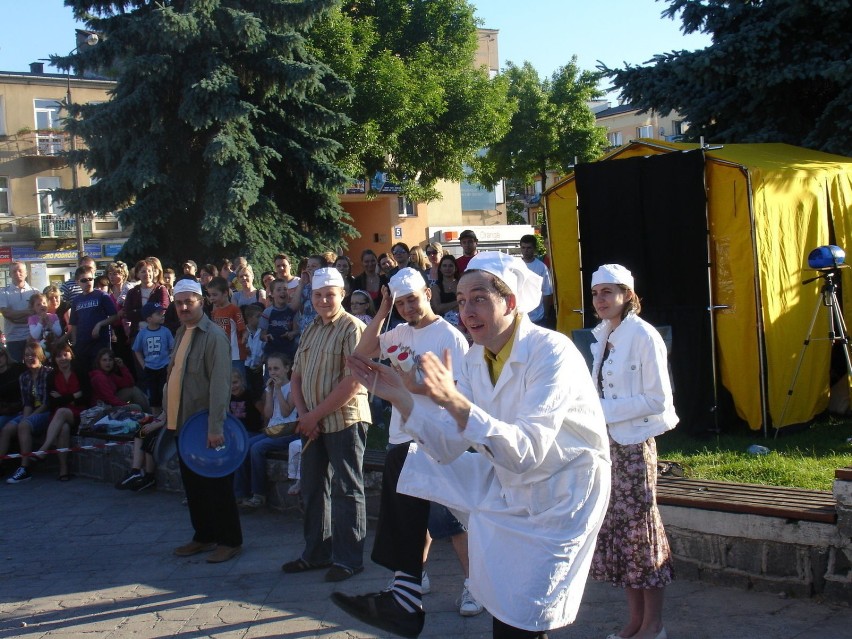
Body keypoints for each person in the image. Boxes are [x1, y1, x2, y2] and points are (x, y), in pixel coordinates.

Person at [334, 252, 611, 639]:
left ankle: (406, 596)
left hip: (560, 496)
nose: (467, 310)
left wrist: (452, 399)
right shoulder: (475, 358)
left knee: (522, 620)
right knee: (406, 459)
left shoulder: (551, 352)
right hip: (510, 488)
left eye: (479, 298)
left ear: (510, 302)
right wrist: (400, 397)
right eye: (461, 301)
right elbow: (447, 443)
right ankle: (404, 592)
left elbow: (527, 452)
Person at [352, 267, 481, 619]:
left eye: (413, 299)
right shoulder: (397, 333)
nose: (408, 307)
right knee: (409, 517)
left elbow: (457, 394)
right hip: (400, 435)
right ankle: (412, 578)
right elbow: (362, 353)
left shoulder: (448, 335)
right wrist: (381, 312)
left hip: (438, 439)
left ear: (428, 292)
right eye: (401, 302)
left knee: (450, 519)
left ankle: (474, 586)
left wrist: (415, 387)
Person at [587, 264, 678, 639]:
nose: (600, 300)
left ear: (627, 294)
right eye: (596, 293)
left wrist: (603, 411)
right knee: (621, 533)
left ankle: (653, 625)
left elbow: (658, 399)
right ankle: (635, 622)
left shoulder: (643, 335)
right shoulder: (604, 334)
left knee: (641, 532)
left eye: (608, 292)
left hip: (634, 445)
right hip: (607, 444)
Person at [281, 267, 371, 583]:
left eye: (329, 294)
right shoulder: (310, 329)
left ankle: (349, 560)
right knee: (312, 486)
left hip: (344, 420)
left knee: (347, 489)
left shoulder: (353, 328)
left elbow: (354, 383)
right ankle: (317, 553)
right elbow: (296, 377)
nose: (323, 300)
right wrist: (306, 416)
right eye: (318, 294)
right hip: (313, 422)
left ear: (342, 294)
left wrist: (312, 416)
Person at [168, 278, 242, 563]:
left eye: (190, 302)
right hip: (182, 424)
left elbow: (220, 385)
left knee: (217, 486)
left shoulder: (213, 336)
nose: (184, 307)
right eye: (179, 303)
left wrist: (215, 427)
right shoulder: (180, 332)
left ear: (202, 302)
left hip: (203, 425)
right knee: (194, 487)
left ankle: (230, 540)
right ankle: (204, 536)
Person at [234, 353, 297, 509]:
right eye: (270, 369)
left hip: (288, 431)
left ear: (287, 368)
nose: (273, 372)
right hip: (273, 429)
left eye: (276, 368)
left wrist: (278, 390)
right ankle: (240, 493)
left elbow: (285, 412)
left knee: (257, 449)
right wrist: (269, 393)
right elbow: (268, 414)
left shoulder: (294, 387)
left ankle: (259, 494)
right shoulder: (270, 388)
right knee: (244, 446)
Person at [29, 342, 86, 481]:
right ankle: (63, 469)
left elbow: (85, 396)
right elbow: (53, 401)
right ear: (54, 359)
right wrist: (73, 396)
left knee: (62, 411)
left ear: (70, 355)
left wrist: (64, 398)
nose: (62, 358)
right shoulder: (52, 376)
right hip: (59, 415)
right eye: (58, 356)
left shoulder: (80, 372)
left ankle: (44, 449)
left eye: (65, 354)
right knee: (64, 428)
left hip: (80, 413)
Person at [3, 341, 53, 484]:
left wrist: (27, 420)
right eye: (27, 356)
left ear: (40, 356)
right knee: (7, 429)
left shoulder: (48, 373)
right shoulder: (24, 377)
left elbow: (46, 403)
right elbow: (27, 403)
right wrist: (26, 417)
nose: (30, 358)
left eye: (33, 355)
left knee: (24, 425)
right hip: (31, 411)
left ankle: (25, 468)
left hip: (46, 412)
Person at [69, 264, 119, 380]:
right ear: (77, 282)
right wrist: (75, 342)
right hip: (82, 345)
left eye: (90, 279)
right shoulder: (76, 300)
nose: (88, 282)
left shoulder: (102, 296)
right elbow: (74, 323)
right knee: (85, 376)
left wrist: (100, 324)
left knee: (101, 375)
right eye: (84, 280)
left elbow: (115, 316)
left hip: (100, 344)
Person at [132, 301, 175, 413]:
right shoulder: (142, 333)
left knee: (165, 394)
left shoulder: (166, 331)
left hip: (164, 367)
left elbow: (172, 348)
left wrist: (170, 362)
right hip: (150, 369)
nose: (162, 316)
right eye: (158, 314)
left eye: (162, 313)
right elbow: (137, 350)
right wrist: (143, 364)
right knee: (153, 397)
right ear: (149, 318)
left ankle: (165, 417)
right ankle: (155, 418)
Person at [114, 411, 166, 493]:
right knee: (141, 433)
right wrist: (152, 423)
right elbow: (165, 413)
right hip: (163, 423)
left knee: (150, 437)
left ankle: (149, 477)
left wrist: (154, 426)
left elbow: (173, 419)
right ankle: (135, 471)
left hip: (171, 427)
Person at [208, 276, 248, 380]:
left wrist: (244, 337)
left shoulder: (234, 309)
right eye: (210, 295)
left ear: (225, 293)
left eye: (215, 295)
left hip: (236, 354)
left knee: (238, 381)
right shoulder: (215, 312)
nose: (211, 298)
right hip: (221, 354)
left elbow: (243, 329)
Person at [123, 259, 170, 346]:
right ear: (137, 274)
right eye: (143, 271)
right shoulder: (132, 292)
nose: (147, 274)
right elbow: (128, 313)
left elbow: (163, 309)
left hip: (158, 333)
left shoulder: (160, 290)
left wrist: (138, 312)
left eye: (149, 271)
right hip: (138, 334)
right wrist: (151, 312)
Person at [89, 348, 150, 412]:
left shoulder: (110, 375)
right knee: (136, 408)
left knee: (134, 390)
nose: (107, 363)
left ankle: (150, 415)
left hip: (111, 402)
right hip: (103, 408)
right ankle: (148, 416)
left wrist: (122, 367)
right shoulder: (99, 377)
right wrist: (127, 405)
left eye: (110, 360)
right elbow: (111, 400)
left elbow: (130, 383)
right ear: (99, 362)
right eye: (104, 360)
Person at [1, 261, 38, 361]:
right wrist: (28, 312)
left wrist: (15, 318)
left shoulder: (35, 292)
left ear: (26, 273)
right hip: (13, 338)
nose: (17, 273)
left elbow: (36, 315)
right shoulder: (3, 293)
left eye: (20, 271)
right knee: (17, 369)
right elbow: (7, 314)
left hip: (32, 337)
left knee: (33, 366)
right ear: (9, 275)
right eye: (14, 271)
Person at [518, 235, 554, 328]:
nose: (526, 250)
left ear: (534, 248)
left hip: (538, 318)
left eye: (529, 248)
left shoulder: (542, 267)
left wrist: (545, 314)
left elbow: (547, 292)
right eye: (523, 247)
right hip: (519, 317)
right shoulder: (515, 265)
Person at [260, 278, 299, 361]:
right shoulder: (267, 312)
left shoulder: (292, 310)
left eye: (285, 289)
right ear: (272, 294)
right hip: (272, 352)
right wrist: (266, 337)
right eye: (279, 290)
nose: (283, 292)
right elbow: (262, 335)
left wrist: (291, 334)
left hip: (288, 352)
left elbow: (297, 330)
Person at [430, 254, 461, 327]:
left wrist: (445, 306)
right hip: (442, 326)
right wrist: (458, 302)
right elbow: (437, 309)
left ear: (455, 268)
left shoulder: (462, 285)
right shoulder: (435, 287)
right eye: (444, 266)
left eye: (450, 266)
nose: (447, 268)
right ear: (440, 268)